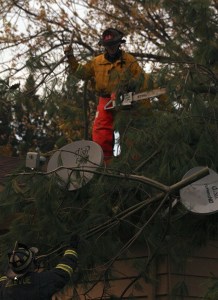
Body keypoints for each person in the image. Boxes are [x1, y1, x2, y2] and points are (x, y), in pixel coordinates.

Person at [64, 27, 150, 162]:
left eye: (113, 45)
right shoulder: (97, 62)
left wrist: (133, 90)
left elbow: (141, 80)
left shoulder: (129, 60)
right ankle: (103, 165)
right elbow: (82, 72)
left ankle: (132, 165)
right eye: (108, 46)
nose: (110, 48)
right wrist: (71, 58)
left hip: (125, 101)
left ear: (119, 44)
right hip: (105, 100)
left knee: (130, 133)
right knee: (101, 134)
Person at [0, 236, 79, 299]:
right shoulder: (40, 281)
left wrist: (14, 263)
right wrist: (72, 249)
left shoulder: (4, 286)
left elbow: (6, 278)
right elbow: (63, 271)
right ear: (30, 265)